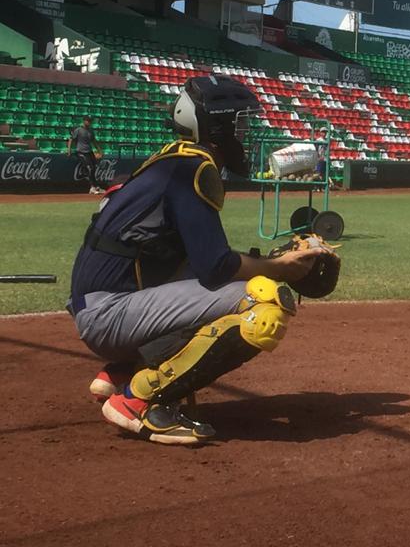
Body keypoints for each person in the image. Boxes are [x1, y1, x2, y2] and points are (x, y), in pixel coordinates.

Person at [68, 76, 338, 445]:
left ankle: (122, 370)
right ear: (217, 126)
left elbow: (200, 262)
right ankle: (137, 398)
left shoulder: (171, 160)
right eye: (240, 123)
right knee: (265, 300)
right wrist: (281, 268)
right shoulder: (194, 168)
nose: (246, 132)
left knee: (231, 285)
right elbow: (216, 267)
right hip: (110, 314)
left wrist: (272, 260)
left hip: (105, 305)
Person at [67, 115, 104, 195]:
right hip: (81, 151)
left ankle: (96, 186)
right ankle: (92, 187)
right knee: (89, 168)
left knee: (93, 168)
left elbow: (94, 141)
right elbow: (71, 140)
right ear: (84, 121)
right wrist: (69, 150)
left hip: (89, 151)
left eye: (90, 121)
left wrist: (100, 151)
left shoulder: (91, 130)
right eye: (88, 120)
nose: (89, 122)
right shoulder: (78, 130)